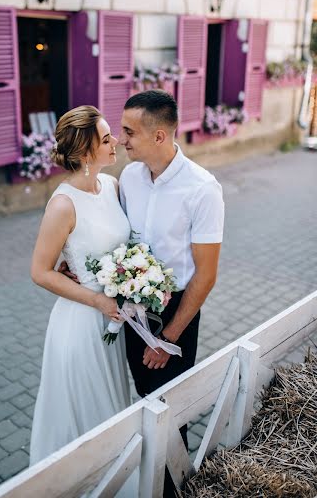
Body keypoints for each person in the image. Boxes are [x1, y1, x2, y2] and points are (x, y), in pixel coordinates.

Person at [29, 106, 135, 492]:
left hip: (113, 321)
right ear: (86, 152)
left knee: (111, 406)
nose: (116, 142)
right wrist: (96, 300)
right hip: (80, 326)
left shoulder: (113, 186)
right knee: (88, 415)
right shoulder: (62, 204)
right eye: (107, 139)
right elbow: (40, 271)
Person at [119, 90, 224, 435]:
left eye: (129, 132)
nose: (122, 141)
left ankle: (173, 486)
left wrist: (168, 339)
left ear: (159, 135)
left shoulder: (203, 189)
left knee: (171, 412)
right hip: (132, 310)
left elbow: (205, 275)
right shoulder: (129, 179)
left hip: (176, 314)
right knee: (144, 398)